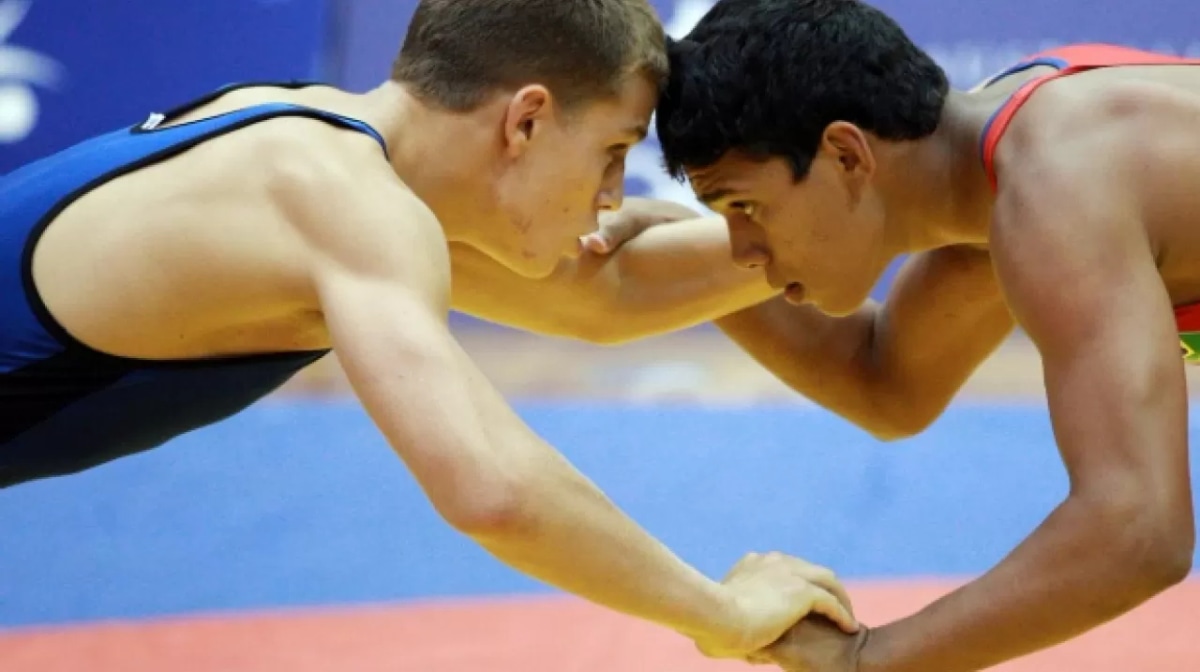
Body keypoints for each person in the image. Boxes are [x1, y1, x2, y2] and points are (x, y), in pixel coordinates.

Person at [0, 0, 858, 659]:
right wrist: (723, 614)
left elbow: (605, 294)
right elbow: (493, 491)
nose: (611, 195)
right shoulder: (341, 200)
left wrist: (859, 213)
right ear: (525, 120)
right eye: (612, 152)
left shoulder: (330, 145)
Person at [650, 0, 1200, 669]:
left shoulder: (1056, 186)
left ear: (847, 154)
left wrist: (866, 660)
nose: (741, 250)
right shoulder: (1004, 166)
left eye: (744, 206)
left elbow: (1139, 531)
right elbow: (888, 384)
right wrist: (660, 249)